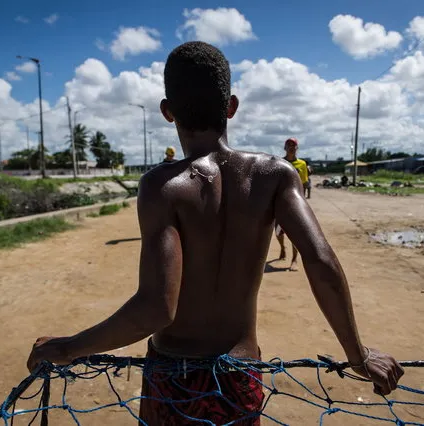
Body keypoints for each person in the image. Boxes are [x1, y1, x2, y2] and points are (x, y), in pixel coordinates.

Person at [27, 41, 403, 426]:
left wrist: (67, 347)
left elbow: (157, 307)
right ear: (232, 106)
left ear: (167, 111)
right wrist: (358, 356)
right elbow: (320, 261)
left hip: (175, 382)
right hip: (238, 378)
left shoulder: (162, 186)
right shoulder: (275, 175)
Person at [275, 138, 310, 271]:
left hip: (296, 203)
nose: (291, 147)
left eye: (293, 145)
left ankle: (294, 259)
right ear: (284, 147)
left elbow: (304, 183)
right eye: (288, 145)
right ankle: (283, 248)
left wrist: (303, 201)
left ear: (297, 148)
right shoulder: (280, 163)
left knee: (295, 232)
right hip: (281, 202)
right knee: (278, 232)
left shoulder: (302, 164)